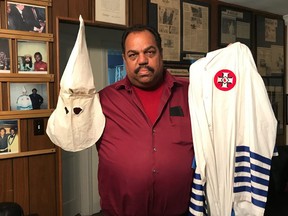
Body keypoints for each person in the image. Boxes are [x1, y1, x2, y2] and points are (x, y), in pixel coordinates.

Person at [97, 25, 194, 215]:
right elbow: (70, 135)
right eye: (133, 55)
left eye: (149, 52)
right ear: (125, 59)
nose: (142, 60)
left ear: (160, 53)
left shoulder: (192, 93)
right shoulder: (103, 100)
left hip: (180, 212)